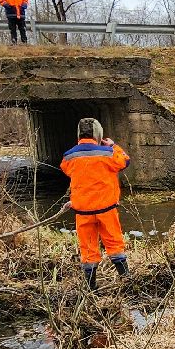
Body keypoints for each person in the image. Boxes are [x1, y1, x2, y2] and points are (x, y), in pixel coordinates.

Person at [60, 117, 130, 289]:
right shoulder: (108, 154)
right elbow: (125, 161)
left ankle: (91, 289)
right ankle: (127, 280)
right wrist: (113, 146)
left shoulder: (69, 156)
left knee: (88, 249)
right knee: (114, 243)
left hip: (83, 212)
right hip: (106, 208)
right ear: (98, 134)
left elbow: (66, 170)